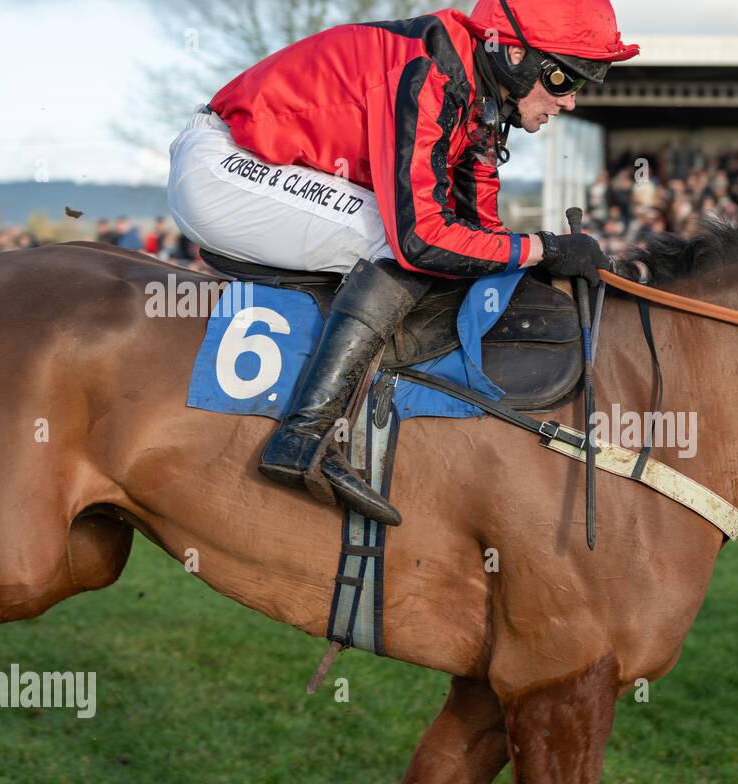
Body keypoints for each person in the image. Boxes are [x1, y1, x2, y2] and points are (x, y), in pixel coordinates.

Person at [166, 0, 638, 525]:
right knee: (400, 248)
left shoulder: (479, 96)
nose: (569, 101)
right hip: (225, 167)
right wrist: (545, 248)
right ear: (513, 54)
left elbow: (481, 231)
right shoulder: (431, 74)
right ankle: (303, 436)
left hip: (255, 164)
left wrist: (538, 258)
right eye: (561, 78)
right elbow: (423, 241)